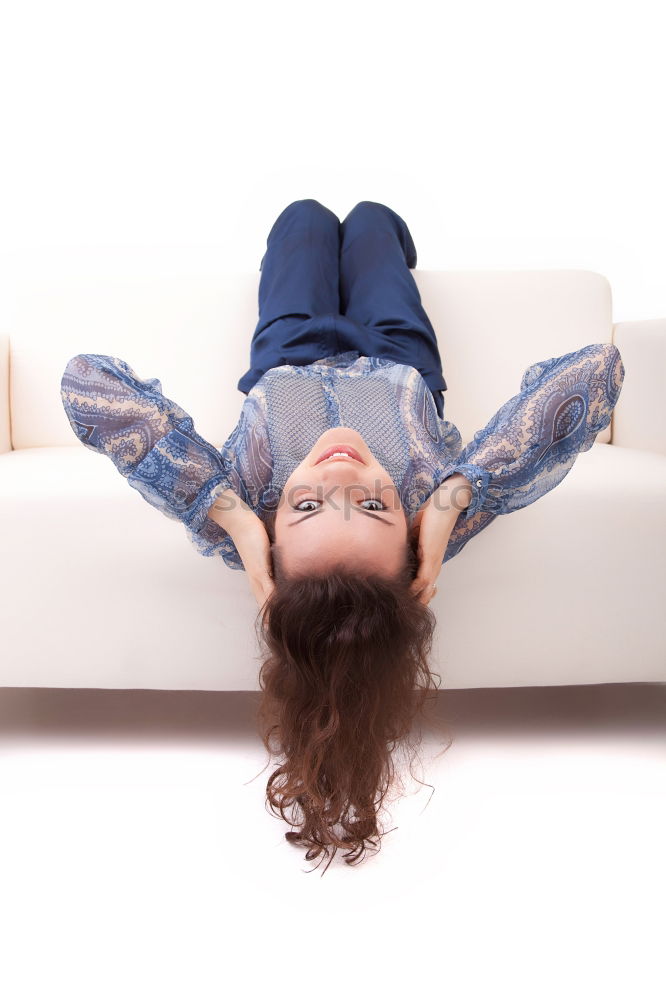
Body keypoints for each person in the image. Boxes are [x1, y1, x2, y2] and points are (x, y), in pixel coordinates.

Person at [60, 200, 625, 872]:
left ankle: (317, 229)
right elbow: (598, 371)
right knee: (372, 221)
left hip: (289, 349)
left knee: (301, 219)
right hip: (398, 353)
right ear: (410, 545)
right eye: (375, 505)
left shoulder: (242, 516)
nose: (342, 470)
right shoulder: (434, 515)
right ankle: (380, 230)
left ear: (273, 547)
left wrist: (236, 517)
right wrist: (455, 497)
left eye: (303, 505)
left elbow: (83, 383)